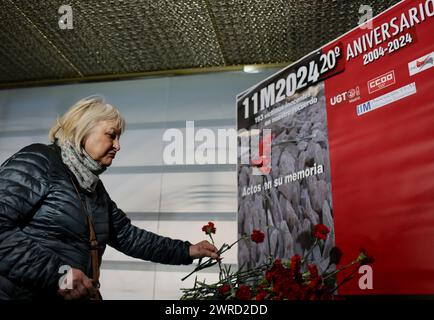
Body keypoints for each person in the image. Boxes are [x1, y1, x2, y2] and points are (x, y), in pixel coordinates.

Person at [0, 96, 219, 300]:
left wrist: (187, 251)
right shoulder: (40, 160)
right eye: (111, 135)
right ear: (82, 129)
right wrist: (57, 274)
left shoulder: (92, 187)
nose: (118, 146)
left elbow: (127, 236)